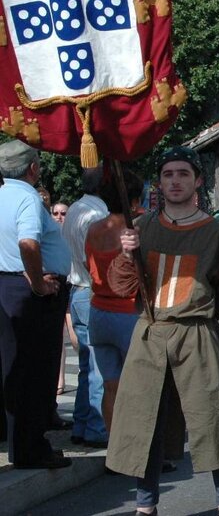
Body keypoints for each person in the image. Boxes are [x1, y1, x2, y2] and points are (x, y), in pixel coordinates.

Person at [106, 145, 219, 516]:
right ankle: (145, 506)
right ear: (160, 183)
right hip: (151, 334)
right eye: (168, 174)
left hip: (197, 334)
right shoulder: (142, 228)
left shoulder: (217, 234)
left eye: (183, 173)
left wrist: (197, 316)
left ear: (197, 180)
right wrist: (125, 252)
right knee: (143, 421)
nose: (175, 180)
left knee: (212, 417)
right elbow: (120, 286)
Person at [0, 141, 72, 469]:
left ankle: (17, 441)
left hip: (8, 285)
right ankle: (31, 448)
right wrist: (39, 282)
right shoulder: (26, 196)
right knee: (36, 371)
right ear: (33, 168)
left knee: (12, 368)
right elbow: (28, 242)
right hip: (30, 290)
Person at [86, 169, 144, 432]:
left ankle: (114, 448)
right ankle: (141, 447)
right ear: (133, 201)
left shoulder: (94, 229)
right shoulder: (135, 229)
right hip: (128, 310)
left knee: (110, 385)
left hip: (98, 310)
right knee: (140, 384)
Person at [61, 166, 109, 448]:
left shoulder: (77, 208)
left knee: (86, 364)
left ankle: (82, 423)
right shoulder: (96, 215)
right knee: (98, 364)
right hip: (91, 289)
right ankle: (96, 427)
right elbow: (95, 258)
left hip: (78, 288)